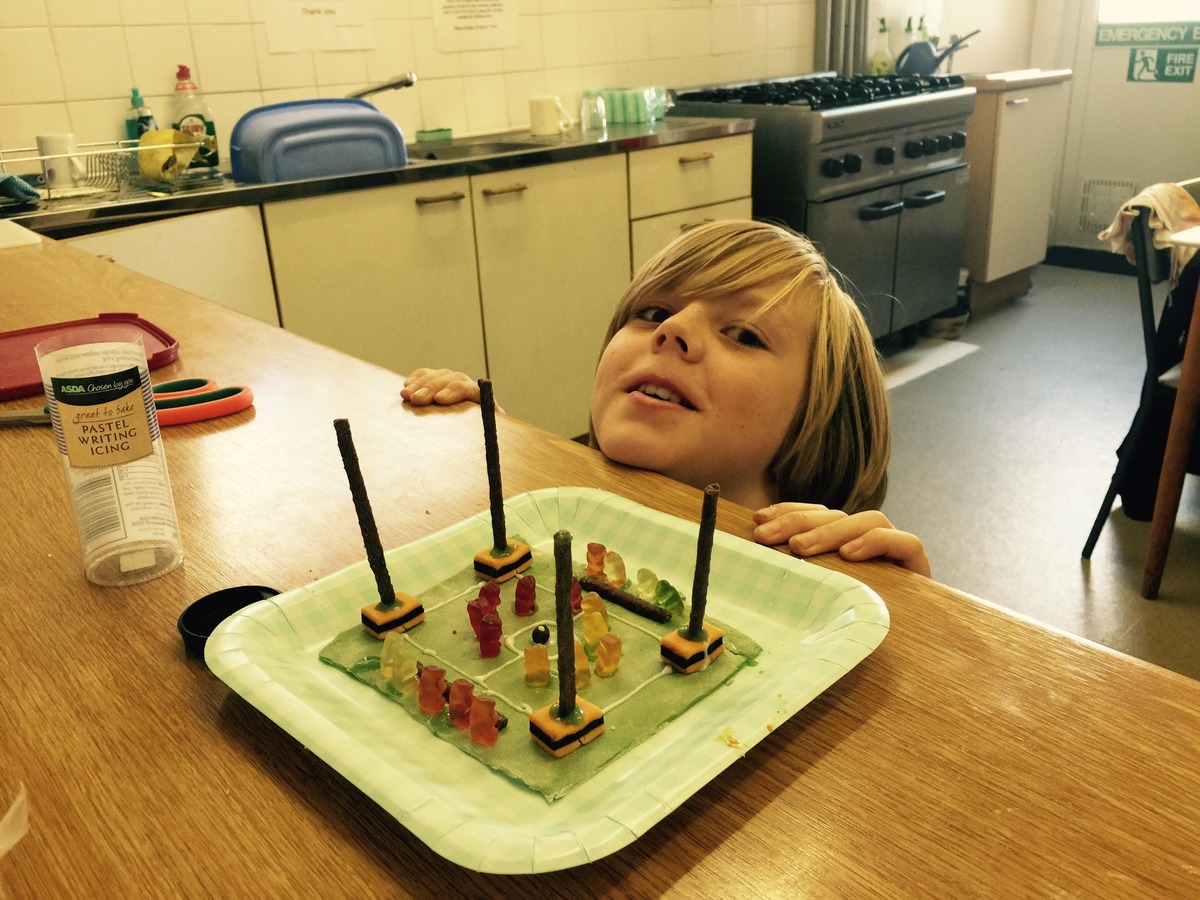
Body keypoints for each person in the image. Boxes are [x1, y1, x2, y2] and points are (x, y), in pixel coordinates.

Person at [403, 220, 930, 576]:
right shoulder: (555, 503)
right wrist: (498, 446)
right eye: (652, 313)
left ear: (821, 416)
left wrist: (912, 615)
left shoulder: (824, 573)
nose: (673, 329)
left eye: (743, 334)